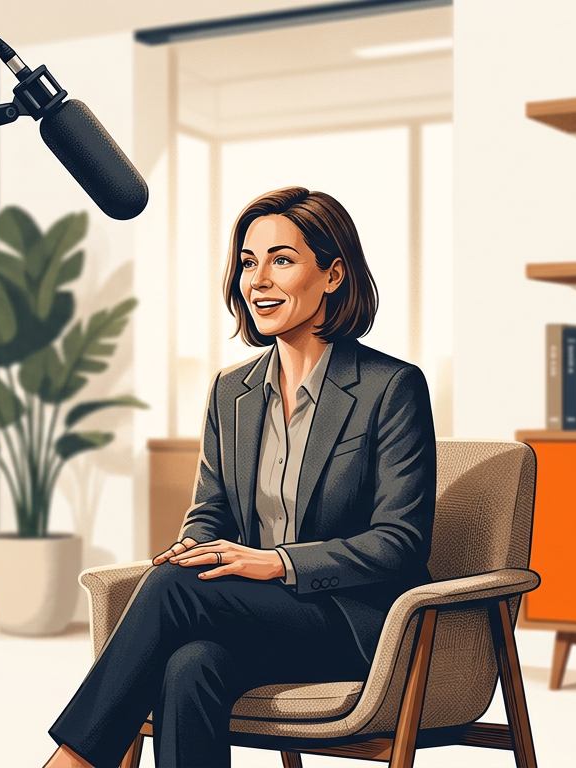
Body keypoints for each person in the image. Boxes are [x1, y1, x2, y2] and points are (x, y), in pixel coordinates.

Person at [43, 187, 437, 768]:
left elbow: (400, 543)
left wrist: (277, 563)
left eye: (282, 259)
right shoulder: (233, 390)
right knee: (189, 664)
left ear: (332, 275)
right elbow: (211, 513)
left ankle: (73, 762)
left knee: (176, 591)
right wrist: (195, 549)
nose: (257, 280)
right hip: (259, 614)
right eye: (249, 262)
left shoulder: (391, 387)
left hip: (355, 624)